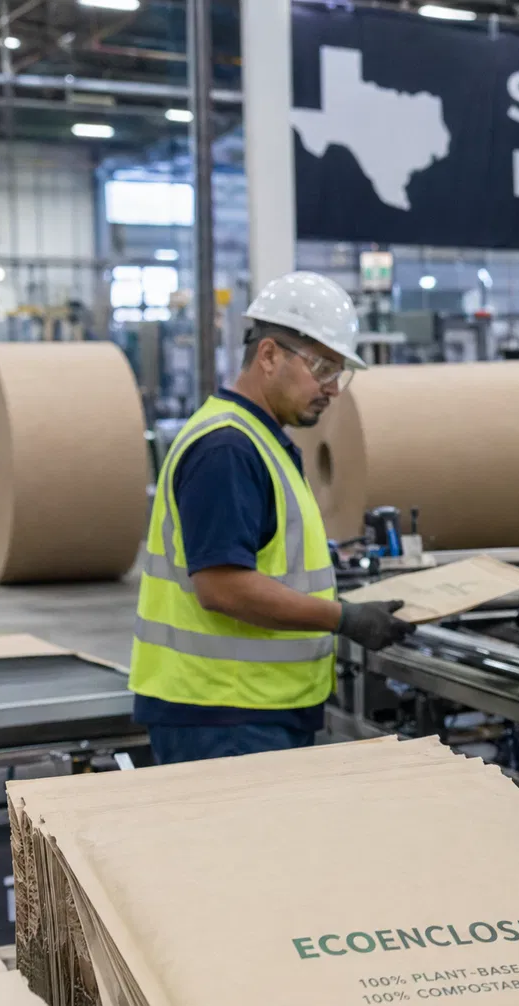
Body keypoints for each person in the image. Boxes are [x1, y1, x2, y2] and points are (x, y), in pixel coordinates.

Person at [129, 271, 416, 765]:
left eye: (339, 373)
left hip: (248, 711)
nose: (333, 389)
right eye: (322, 367)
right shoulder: (227, 448)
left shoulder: (260, 441)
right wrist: (344, 618)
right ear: (268, 356)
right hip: (224, 717)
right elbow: (223, 587)